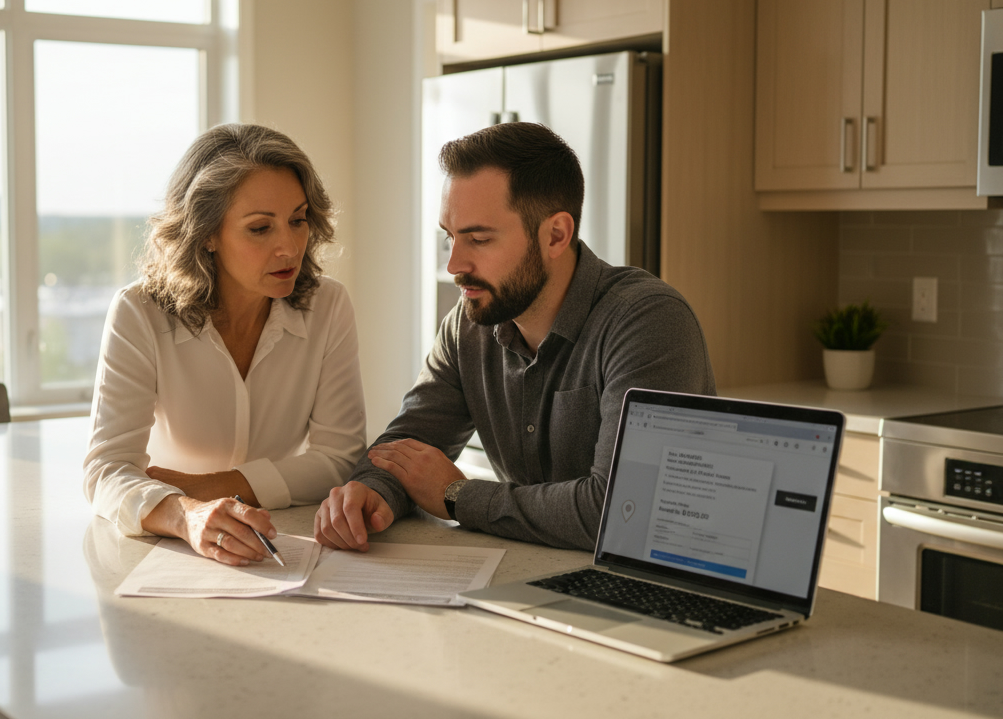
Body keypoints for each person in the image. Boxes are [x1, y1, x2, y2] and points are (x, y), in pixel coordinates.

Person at [314, 122, 715, 552]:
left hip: (651, 580)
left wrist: (458, 496)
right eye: (450, 237)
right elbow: (406, 447)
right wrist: (370, 492)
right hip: (529, 572)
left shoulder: (648, 321)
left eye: (479, 239)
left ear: (556, 235)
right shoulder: (469, 324)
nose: (454, 265)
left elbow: (622, 511)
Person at [84, 124, 366, 566]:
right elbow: (106, 470)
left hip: (279, 539)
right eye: (260, 228)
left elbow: (341, 459)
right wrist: (185, 514)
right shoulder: (138, 312)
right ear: (207, 234)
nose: (289, 247)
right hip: (165, 549)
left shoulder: (328, 305)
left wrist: (210, 486)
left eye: (297, 220)